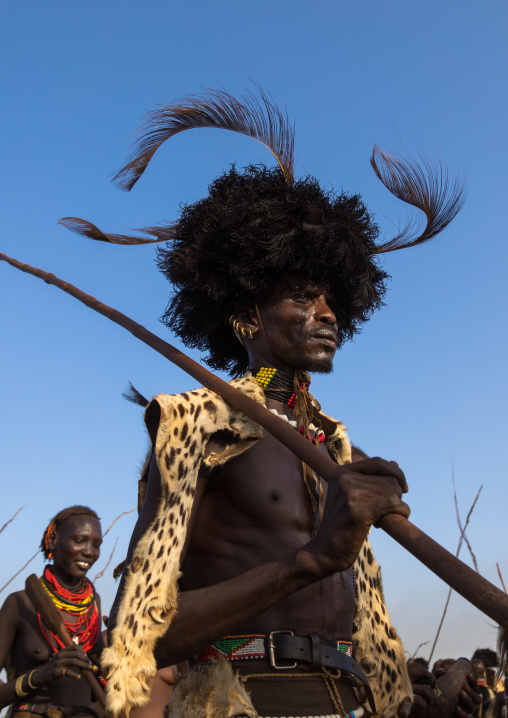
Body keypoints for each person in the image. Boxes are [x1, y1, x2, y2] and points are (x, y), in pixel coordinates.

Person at [61, 88, 473, 718]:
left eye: (332, 299)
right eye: (304, 297)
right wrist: (309, 561)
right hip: (241, 699)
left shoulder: (337, 447)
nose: (328, 313)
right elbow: (141, 635)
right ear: (247, 315)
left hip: (348, 700)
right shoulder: (193, 423)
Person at [0, 506, 105, 717]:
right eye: (79, 540)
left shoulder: (93, 605)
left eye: (96, 544)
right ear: (53, 539)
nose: (89, 551)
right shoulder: (20, 603)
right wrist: (39, 676)